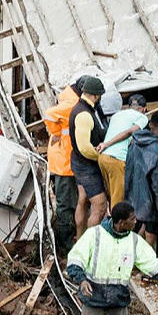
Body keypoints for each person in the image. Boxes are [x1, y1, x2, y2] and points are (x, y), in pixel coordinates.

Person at [43, 76, 93, 255]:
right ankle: (64, 245)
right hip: (64, 162)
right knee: (66, 204)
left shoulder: (70, 99)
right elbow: (48, 113)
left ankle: (68, 238)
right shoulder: (72, 104)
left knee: (70, 201)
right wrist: (55, 131)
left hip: (64, 159)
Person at [69, 77, 110, 237]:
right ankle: (90, 246)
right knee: (99, 206)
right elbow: (85, 147)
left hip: (79, 163)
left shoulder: (84, 109)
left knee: (83, 200)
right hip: (87, 166)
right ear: (95, 95)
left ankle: (79, 240)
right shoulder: (84, 114)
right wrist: (101, 157)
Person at [123, 111, 158, 247]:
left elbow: (128, 171)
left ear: (150, 125)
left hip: (132, 200)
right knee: (150, 239)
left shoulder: (134, 144)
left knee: (135, 237)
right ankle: (147, 267)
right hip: (149, 205)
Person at [98, 94, 148, 206]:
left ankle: (111, 220)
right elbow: (129, 132)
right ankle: (116, 223)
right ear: (144, 109)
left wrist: (106, 145)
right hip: (116, 160)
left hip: (103, 158)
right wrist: (107, 144)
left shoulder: (117, 115)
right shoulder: (142, 117)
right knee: (118, 199)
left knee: (111, 195)